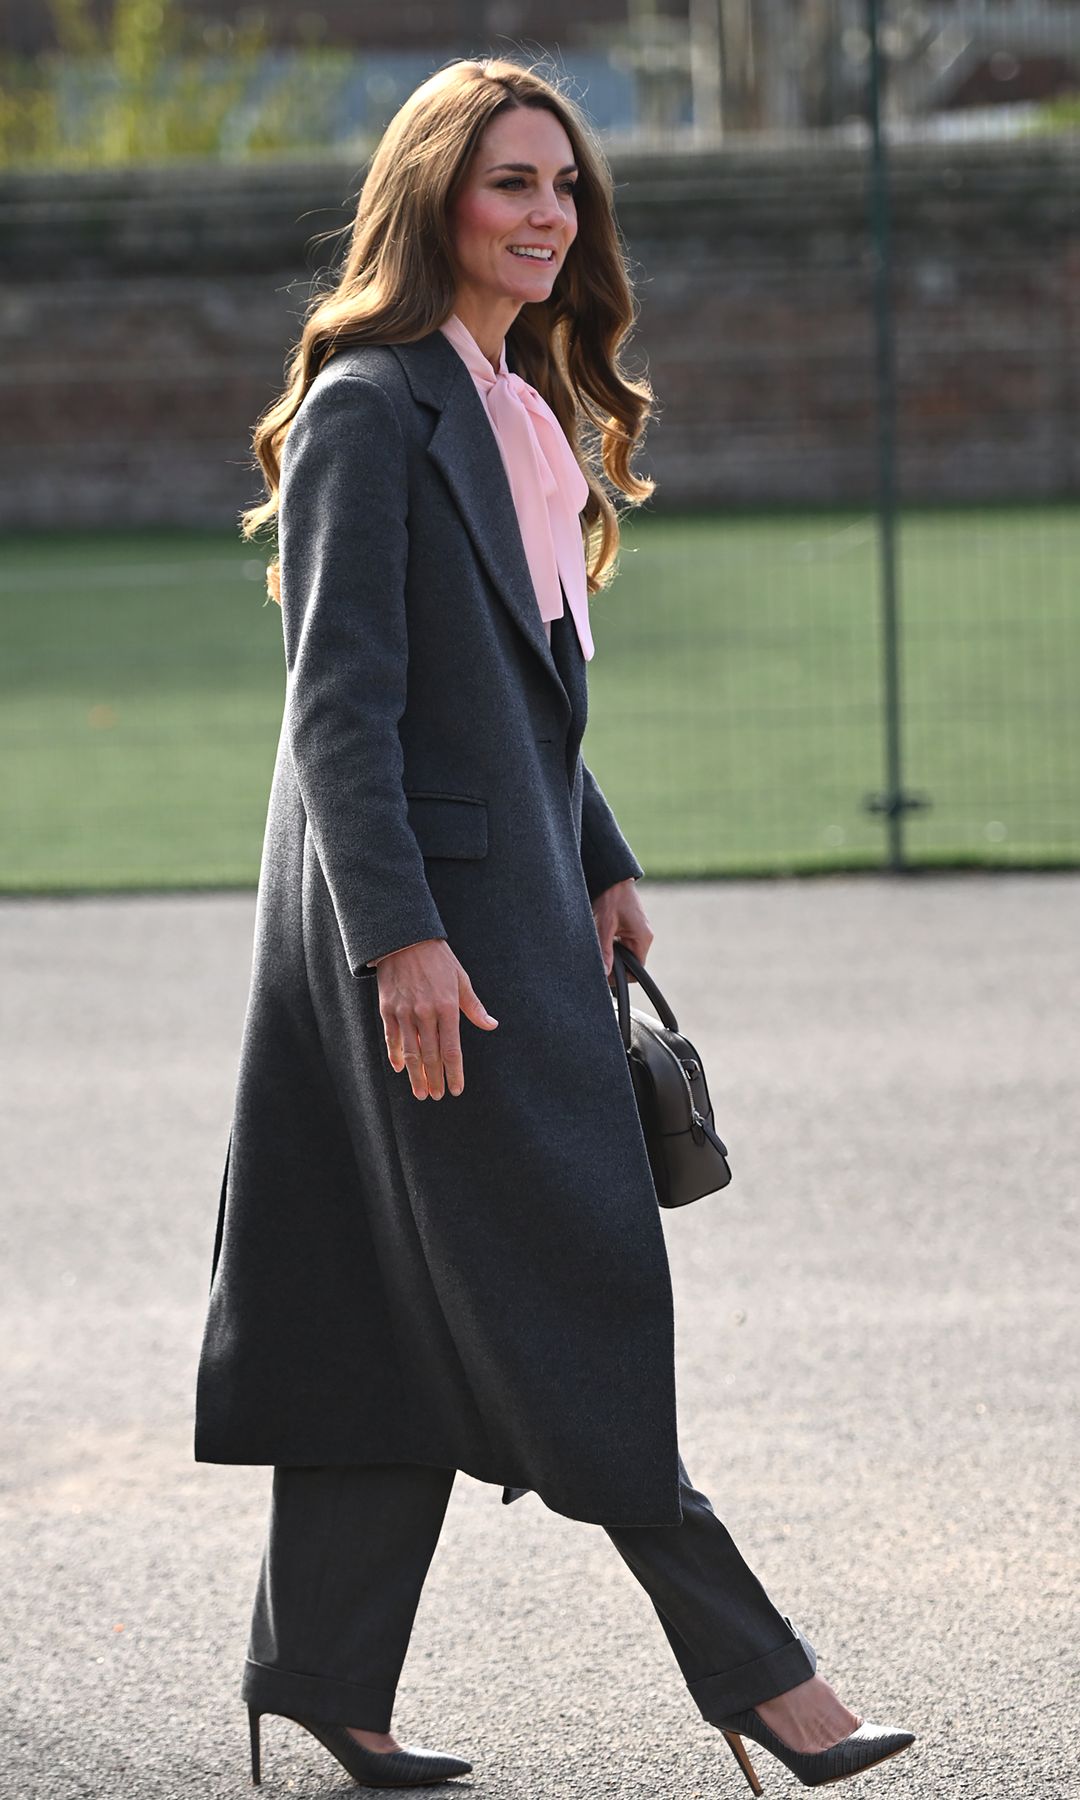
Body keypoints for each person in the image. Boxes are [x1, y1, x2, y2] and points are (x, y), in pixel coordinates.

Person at [194, 56, 915, 1794]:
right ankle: (765, 1679)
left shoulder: (515, 408)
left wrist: (597, 848)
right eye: (511, 183)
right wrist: (402, 940)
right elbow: (341, 706)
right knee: (573, 1276)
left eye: (566, 187)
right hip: (428, 942)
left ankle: (317, 1673)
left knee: (396, 1302)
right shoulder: (376, 406)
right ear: (434, 199)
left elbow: (517, 692)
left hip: (513, 904)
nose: (547, 215)